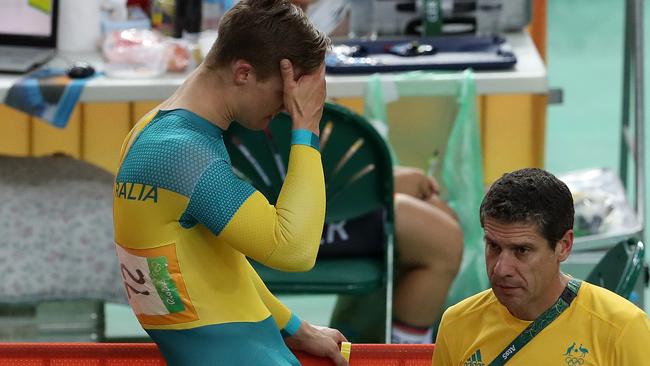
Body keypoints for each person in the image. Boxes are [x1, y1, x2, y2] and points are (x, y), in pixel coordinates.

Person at [112, 1, 348, 365]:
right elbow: (294, 250)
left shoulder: (151, 133)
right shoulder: (181, 156)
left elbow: (220, 259)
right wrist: (307, 127)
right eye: (282, 93)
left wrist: (296, 328)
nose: (287, 107)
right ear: (243, 73)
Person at [432, 168, 650, 365]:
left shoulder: (623, 330)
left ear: (563, 246)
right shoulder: (457, 324)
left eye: (522, 250)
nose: (501, 269)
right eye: (494, 246)